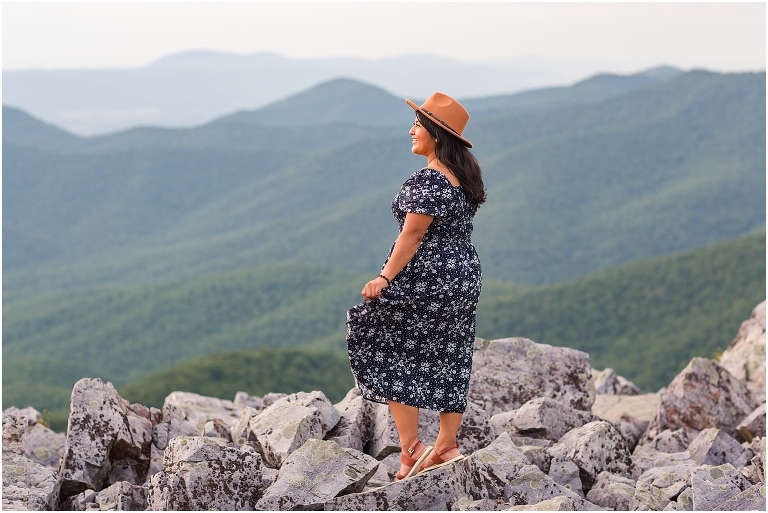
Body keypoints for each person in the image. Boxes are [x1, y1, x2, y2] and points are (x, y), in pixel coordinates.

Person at [346, 92, 486, 480]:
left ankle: (411, 450)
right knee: (452, 352)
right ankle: (446, 445)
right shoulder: (463, 177)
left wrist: (384, 277)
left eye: (417, 125)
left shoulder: (428, 180)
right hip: (462, 276)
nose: (411, 130)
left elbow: (412, 235)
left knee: (386, 347)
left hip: (427, 276)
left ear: (436, 135)